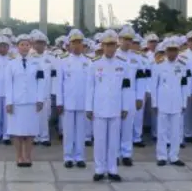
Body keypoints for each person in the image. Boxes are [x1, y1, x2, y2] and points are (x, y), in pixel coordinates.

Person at [86, 29, 132, 182]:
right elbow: (90, 87)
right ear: (102, 46)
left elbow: (126, 87)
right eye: (107, 45)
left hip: (115, 107)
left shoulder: (123, 65)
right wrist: (89, 107)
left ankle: (112, 169)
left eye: (112, 45)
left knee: (113, 141)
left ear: (116, 46)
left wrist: (125, 106)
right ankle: (99, 169)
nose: (110, 48)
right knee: (99, 141)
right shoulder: (94, 64)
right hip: (99, 107)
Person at [5, 34, 46, 167]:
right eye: (22, 44)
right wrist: (9, 102)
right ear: (17, 47)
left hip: (31, 102)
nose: (24, 47)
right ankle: (19, 157)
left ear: (30, 46)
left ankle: (28, 156)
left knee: (30, 132)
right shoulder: (11, 63)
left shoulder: (37, 62)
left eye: (27, 44)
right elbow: (8, 83)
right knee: (16, 132)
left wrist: (40, 99)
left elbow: (41, 81)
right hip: (16, 102)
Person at [55, 29, 90, 169]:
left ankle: (80, 157)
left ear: (83, 45)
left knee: (82, 132)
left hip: (83, 102)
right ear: (69, 45)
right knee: (68, 132)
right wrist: (59, 102)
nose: (77, 46)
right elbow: (59, 84)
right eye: (74, 43)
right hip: (68, 102)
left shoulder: (88, 62)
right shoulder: (63, 61)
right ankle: (68, 157)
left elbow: (90, 85)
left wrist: (90, 104)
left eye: (79, 42)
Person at [151, 37, 188, 166]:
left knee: (176, 131)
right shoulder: (159, 65)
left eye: (175, 50)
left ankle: (174, 156)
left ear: (178, 51)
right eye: (170, 50)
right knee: (162, 131)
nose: (172, 53)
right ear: (165, 51)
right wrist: (154, 103)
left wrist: (184, 103)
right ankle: (161, 156)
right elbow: (153, 86)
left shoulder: (182, 65)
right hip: (162, 102)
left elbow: (184, 85)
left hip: (177, 102)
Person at [115, 26, 145, 166]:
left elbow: (141, 79)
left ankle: (126, 154)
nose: (127, 42)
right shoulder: (113, 55)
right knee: (116, 127)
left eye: (130, 40)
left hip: (131, 95)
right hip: (115, 95)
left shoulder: (136, 58)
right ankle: (114, 154)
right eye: (125, 39)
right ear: (119, 40)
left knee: (128, 126)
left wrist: (140, 97)